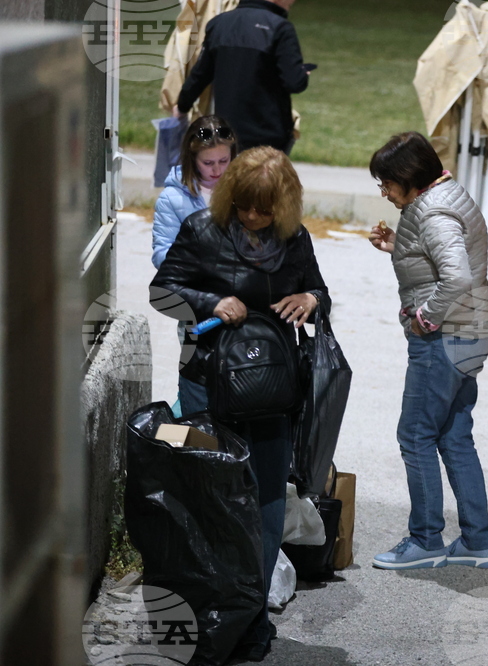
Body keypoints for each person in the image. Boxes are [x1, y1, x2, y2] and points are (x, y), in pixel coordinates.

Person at [151, 146, 329, 660]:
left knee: (268, 501)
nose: (253, 216)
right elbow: (162, 291)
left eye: (264, 209)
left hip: (271, 392)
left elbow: (318, 287)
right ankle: (209, 612)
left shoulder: (294, 239)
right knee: (211, 498)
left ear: (283, 205)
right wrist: (210, 301)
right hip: (209, 385)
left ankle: (251, 618)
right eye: (246, 205)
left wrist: (312, 299)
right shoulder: (203, 230)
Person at [367, 132, 488, 571]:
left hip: (445, 338)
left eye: (386, 183)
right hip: (471, 333)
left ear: (408, 178)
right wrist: (395, 247)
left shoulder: (435, 211)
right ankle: (478, 542)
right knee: (454, 435)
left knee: (415, 435)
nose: (383, 192)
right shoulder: (444, 196)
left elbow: (456, 276)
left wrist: (426, 317)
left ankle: (425, 540)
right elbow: (442, 258)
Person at [174, 0, 311, 154]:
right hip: (267, 137)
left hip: (226, 135)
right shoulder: (280, 28)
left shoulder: (219, 24)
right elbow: (295, 82)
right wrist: (302, 73)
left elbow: (200, 74)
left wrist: (182, 106)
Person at [152, 115, 237, 269]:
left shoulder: (243, 189)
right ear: (192, 158)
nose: (217, 170)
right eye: (208, 163)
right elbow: (161, 257)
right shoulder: (171, 199)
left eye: (224, 161)